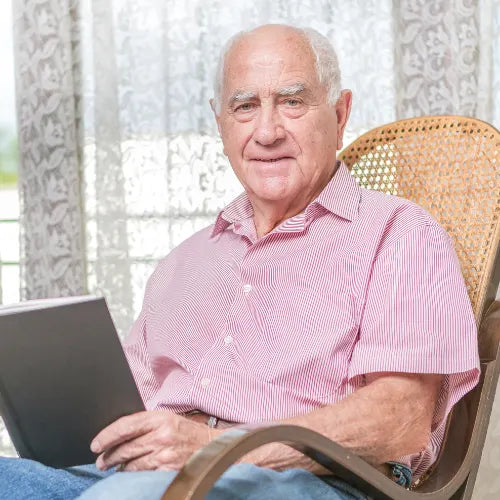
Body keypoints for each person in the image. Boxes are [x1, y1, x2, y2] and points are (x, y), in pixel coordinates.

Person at [0, 23, 479, 500]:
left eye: (292, 101)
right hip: (144, 478)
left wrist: (212, 449)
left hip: (308, 480)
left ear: (339, 113)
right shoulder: (183, 262)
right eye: (245, 106)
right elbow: (122, 409)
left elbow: (401, 419)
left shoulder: (400, 234)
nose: (267, 132)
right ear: (220, 123)